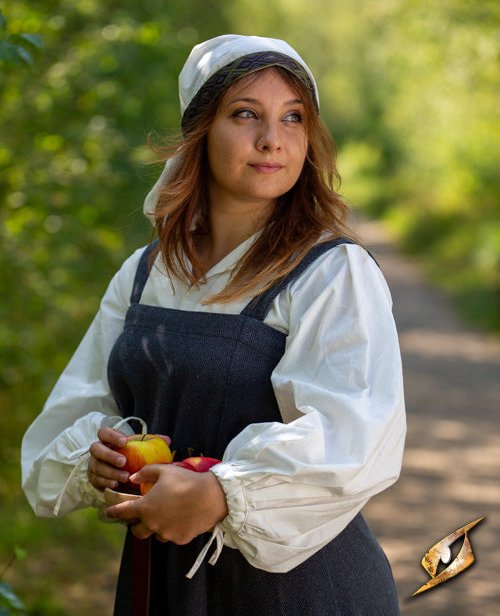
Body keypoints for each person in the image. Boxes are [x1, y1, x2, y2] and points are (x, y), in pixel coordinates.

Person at [22, 34, 406, 615]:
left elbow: (354, 438)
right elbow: (70, 420)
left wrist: (223, 495)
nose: (272, 139)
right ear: (201, 132)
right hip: (166, 586)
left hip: (298, 591)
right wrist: (97, 459)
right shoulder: (147, 271)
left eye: (293, 118)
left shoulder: (332, 272)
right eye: (245, 114)